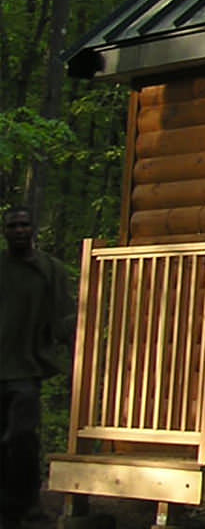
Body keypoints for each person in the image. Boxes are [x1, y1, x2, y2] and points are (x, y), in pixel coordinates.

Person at [0, 209, 68, 529]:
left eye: (24, 224)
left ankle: (26, 504)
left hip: (26, 370)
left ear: (33, 229)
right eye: (12, 226)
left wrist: (74, 345)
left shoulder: (50, 270)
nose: (19, 231)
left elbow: (65, 316)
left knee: (23, 438)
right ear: (4, 231)